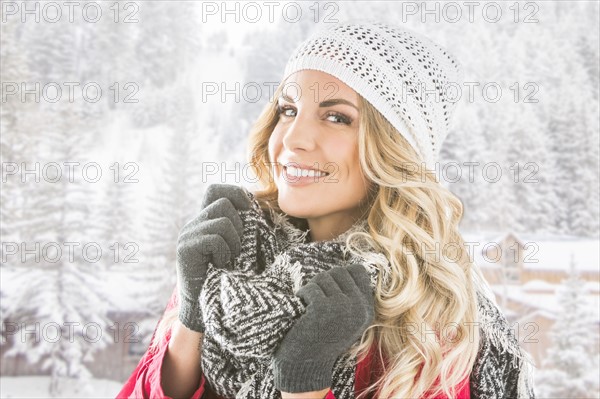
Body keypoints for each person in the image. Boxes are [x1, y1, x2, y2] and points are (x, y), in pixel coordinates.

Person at [117, 22, 536, 399]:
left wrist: (306, 384)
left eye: (337, 117)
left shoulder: (431, 323)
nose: (294, 138)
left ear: (394, 151)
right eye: (288, 109)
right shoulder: (234, 266)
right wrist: (190, 321)